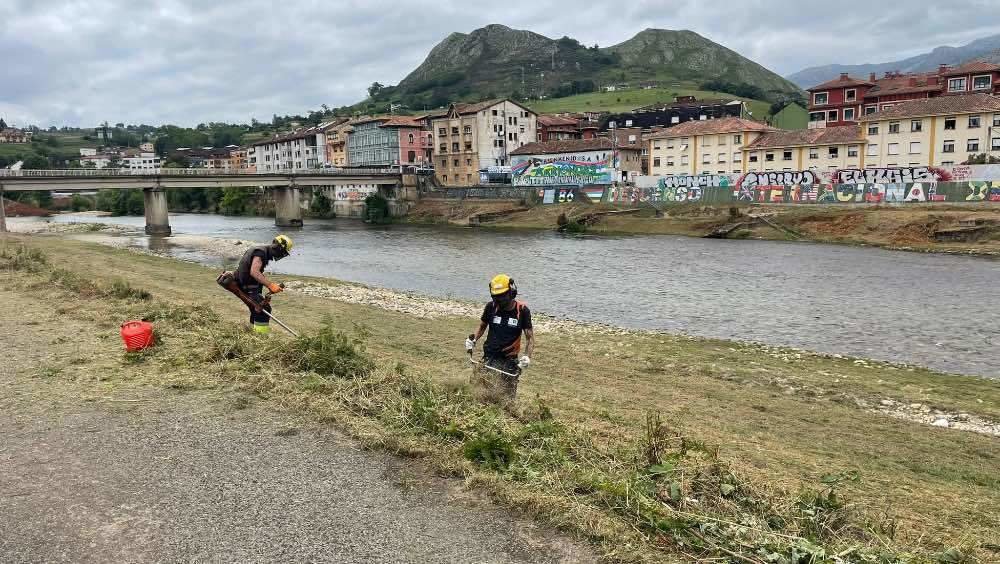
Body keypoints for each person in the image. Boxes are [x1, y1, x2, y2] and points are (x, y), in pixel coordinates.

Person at [466, 274, 534, 400]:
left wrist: (526, 357)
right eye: (496, 298)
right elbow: (482, 327)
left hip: (509, 361)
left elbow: (530, 338)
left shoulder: (522, 311)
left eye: (502, 297)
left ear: (511, 293)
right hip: (489, 357)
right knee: (476, 389)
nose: (499, 301)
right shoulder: (491, 307)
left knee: (505, 398)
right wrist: (473, 339)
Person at [234, 235, 293, 334]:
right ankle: (261, 336)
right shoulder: (260, 252)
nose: (281, 255)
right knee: (263, 309)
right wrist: (270, 285)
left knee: (256, 309)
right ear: (278, 247)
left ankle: (253, 333)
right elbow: (254, 272)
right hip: (247, 286)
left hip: (248, 284)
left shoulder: (261, 251)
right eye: (282, 252)